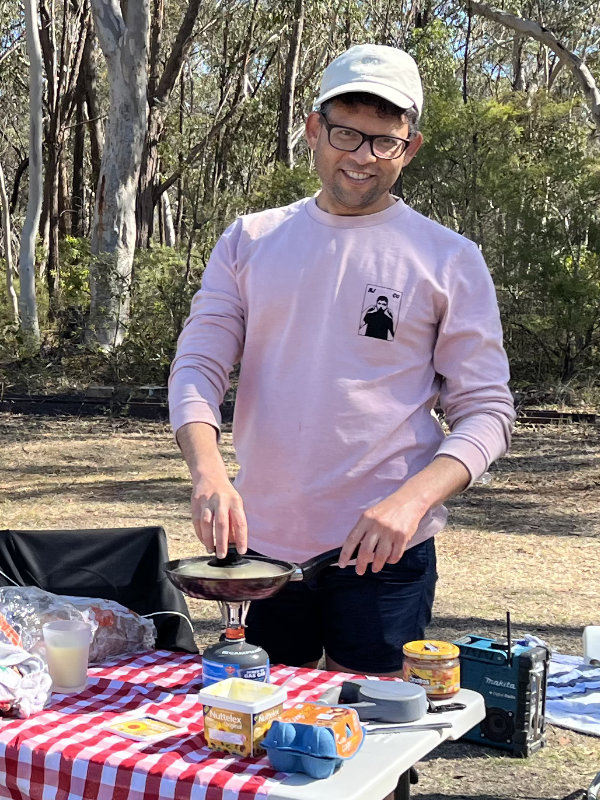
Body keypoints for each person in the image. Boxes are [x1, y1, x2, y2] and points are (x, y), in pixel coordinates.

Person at [168, 43, 516, 678]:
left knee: (377, 740)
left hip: (387, 550)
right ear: (313, 129)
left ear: (408, 148)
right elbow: (197, 365)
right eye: (346, 133)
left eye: (384, 141)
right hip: (260, 547)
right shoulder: (251, 239)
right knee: (259, 737)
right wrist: (209, 472)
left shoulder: (448, 258)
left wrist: (410, 501)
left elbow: (487, 410)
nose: (362, 157)